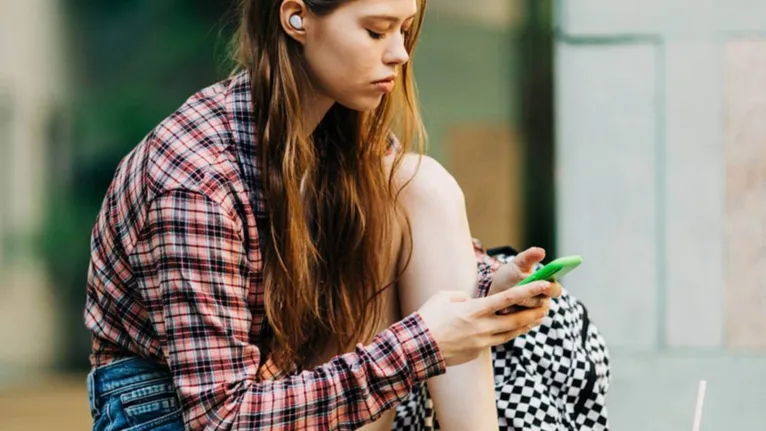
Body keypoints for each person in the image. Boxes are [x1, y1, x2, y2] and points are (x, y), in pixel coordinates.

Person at [84, 0, 609, 430]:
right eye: (377, 31)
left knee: (420, 183)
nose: (400, 54)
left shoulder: (345, 134)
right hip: (169, 413)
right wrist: (421, 345)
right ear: (296, 18)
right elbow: (223, 417)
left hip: (282, 382)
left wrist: (491, 287)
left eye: (404, 30)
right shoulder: (195, 178)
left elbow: (419, 254)